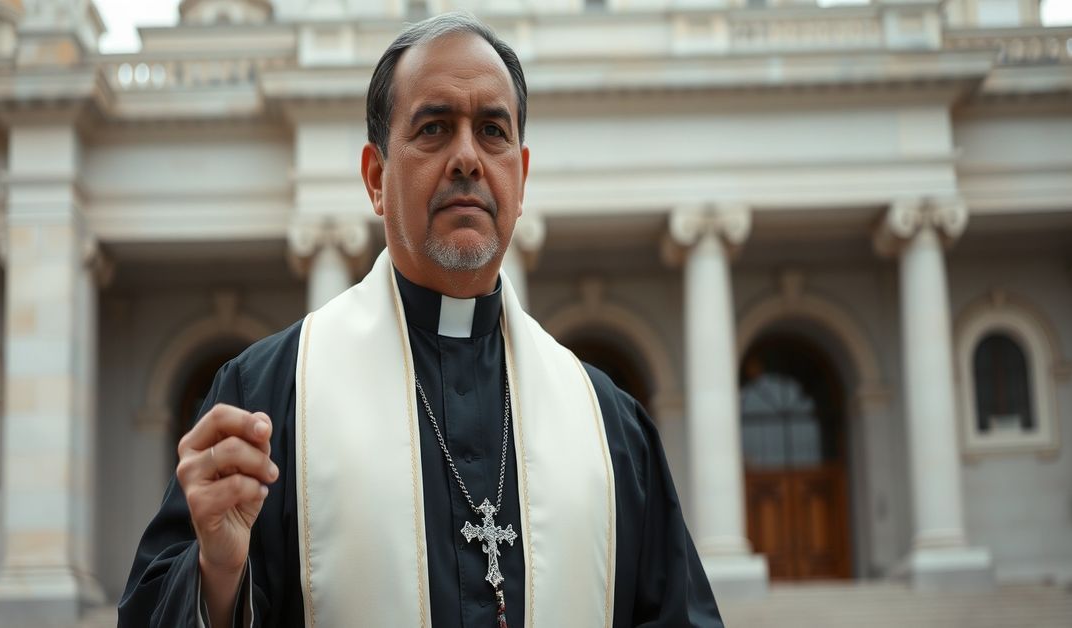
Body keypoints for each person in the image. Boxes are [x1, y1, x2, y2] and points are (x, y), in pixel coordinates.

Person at [119, 12, 723, 628]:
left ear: (521, 175)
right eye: (434, 128)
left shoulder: (609, 425)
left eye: (493, 130)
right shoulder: (269, 400)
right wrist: (216, 574)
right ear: (376, 179)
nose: (467, 157)